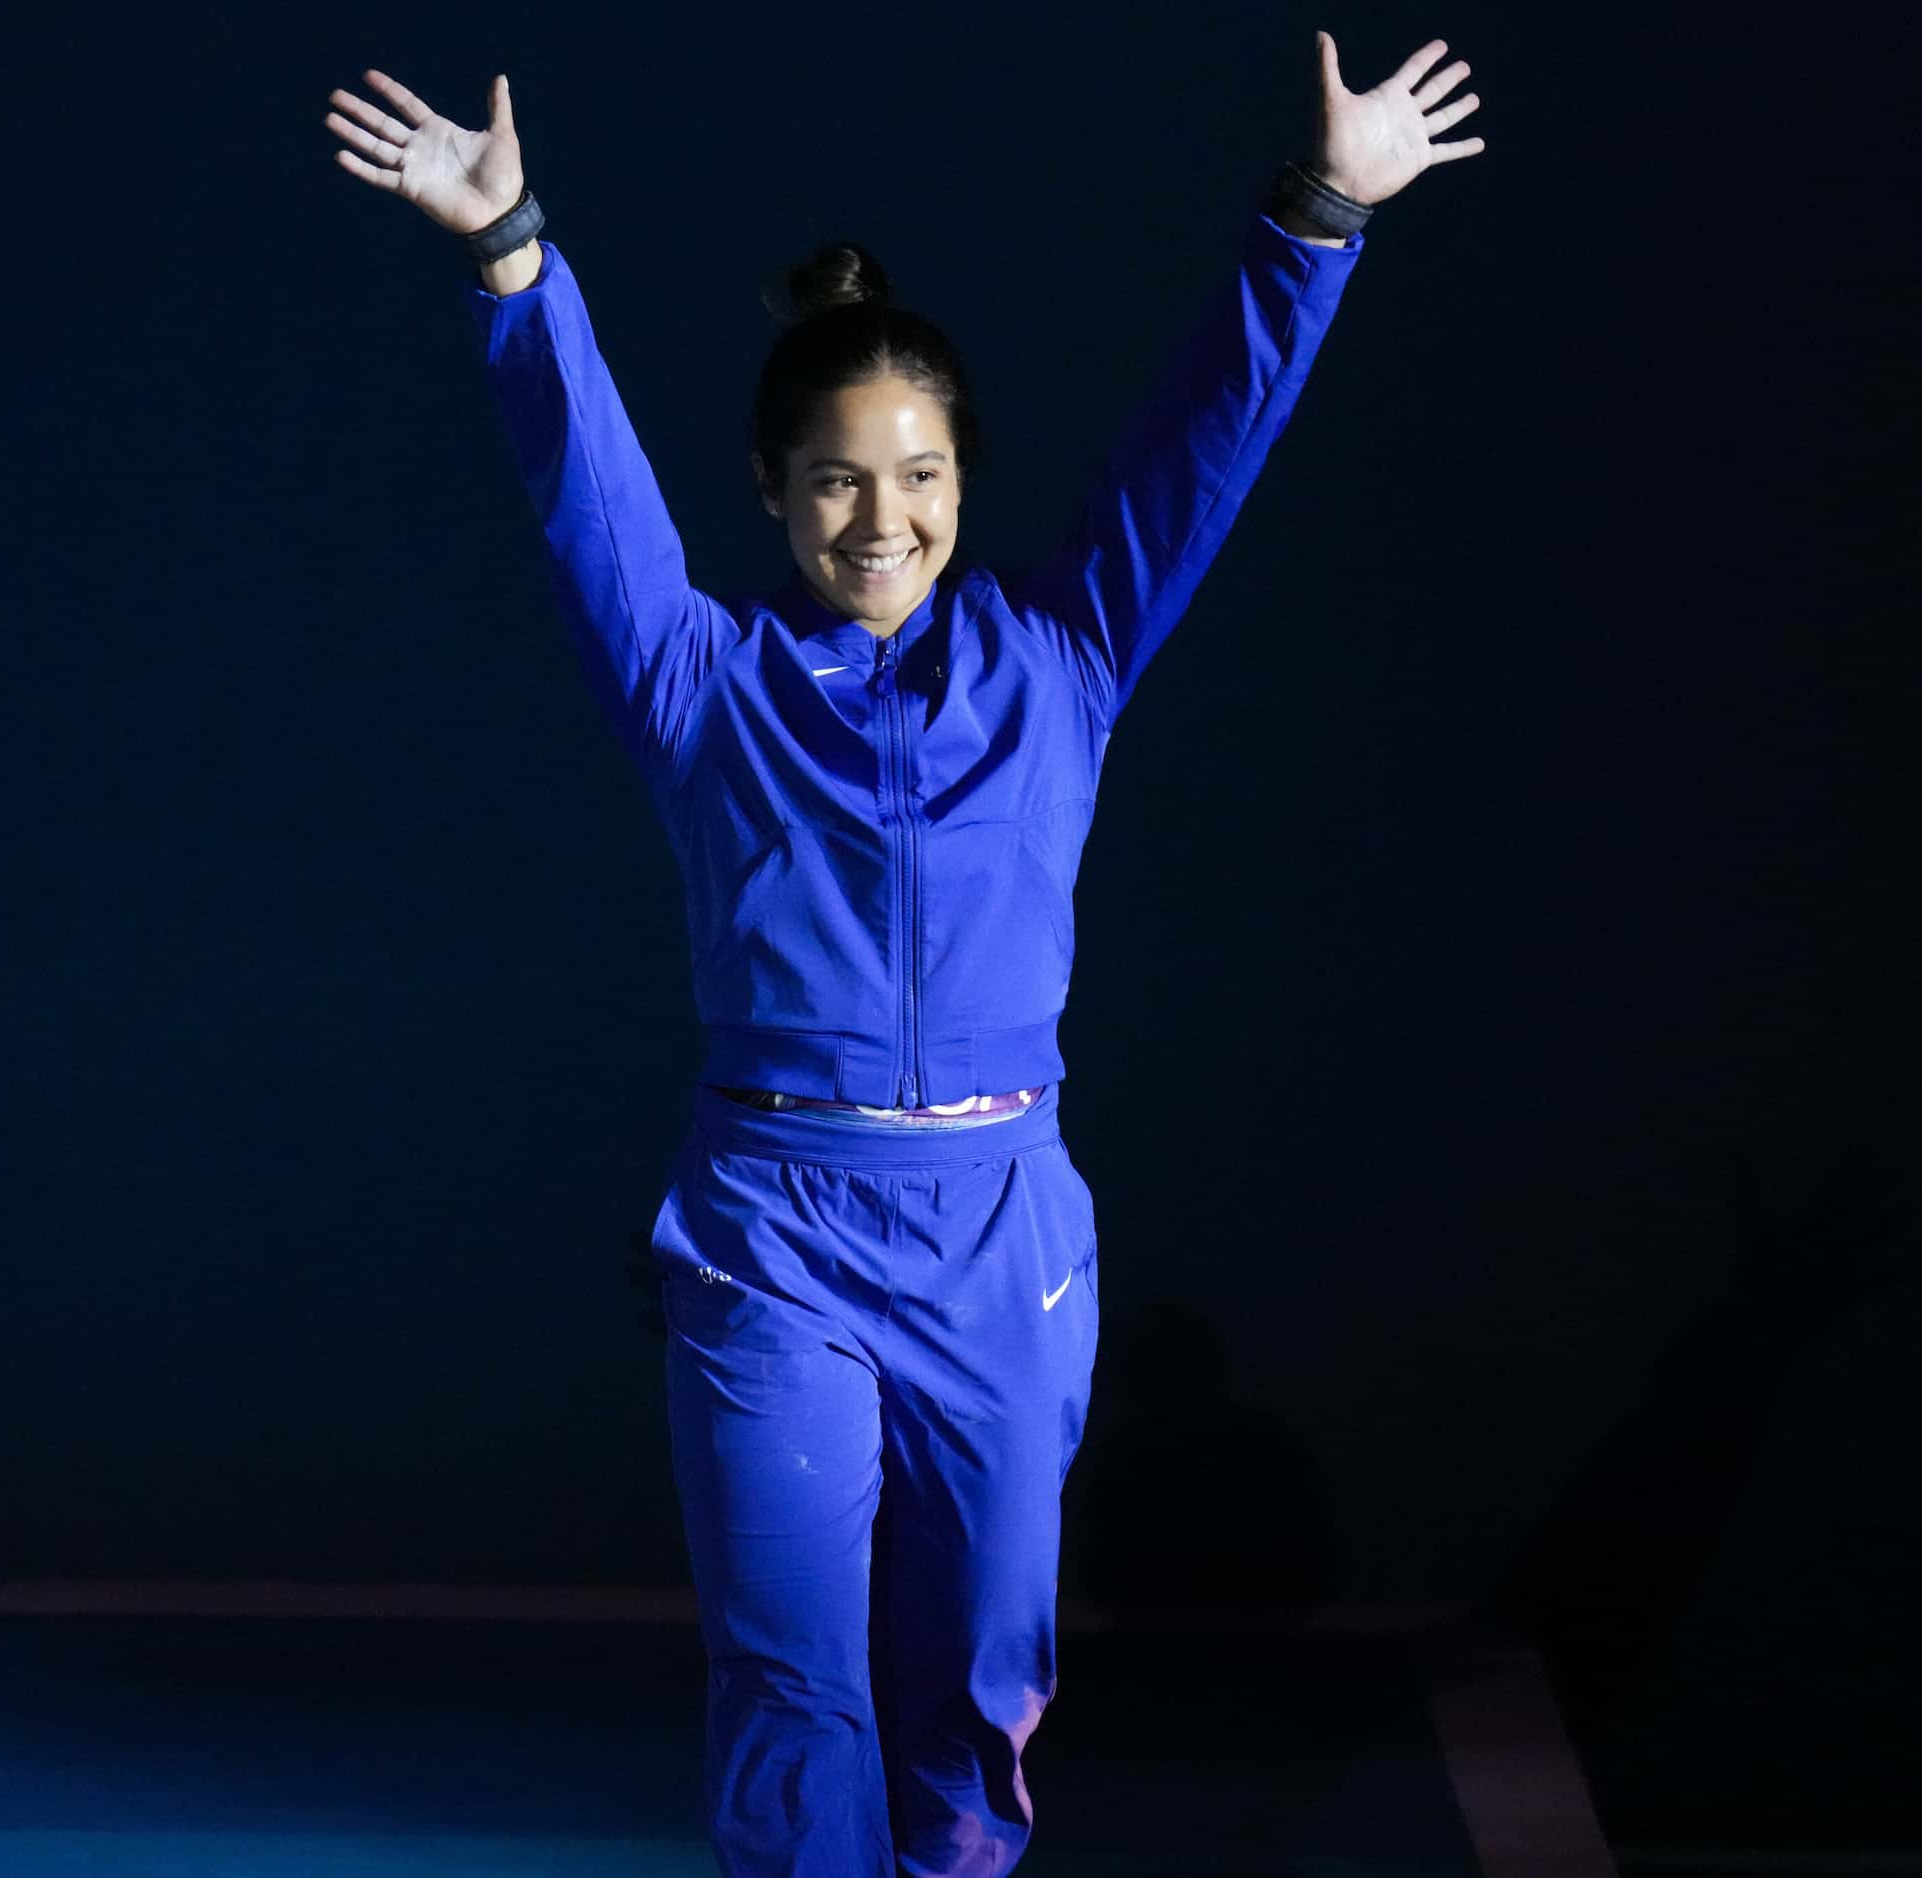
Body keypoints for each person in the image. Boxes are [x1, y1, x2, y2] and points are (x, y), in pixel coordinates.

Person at [326, 36, 1484, 1877]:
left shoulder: (1065, 662)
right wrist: (513, 257)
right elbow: (591, 504)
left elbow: (1206, 451)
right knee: (794, 1691)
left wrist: (1323, 215)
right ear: (777, 496)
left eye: (920, 474)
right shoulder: (701, 687)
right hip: (775, 1224)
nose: (885, 518)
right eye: (837, 483)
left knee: (975, 1683)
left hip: (1004, 1227)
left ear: (963, 479)